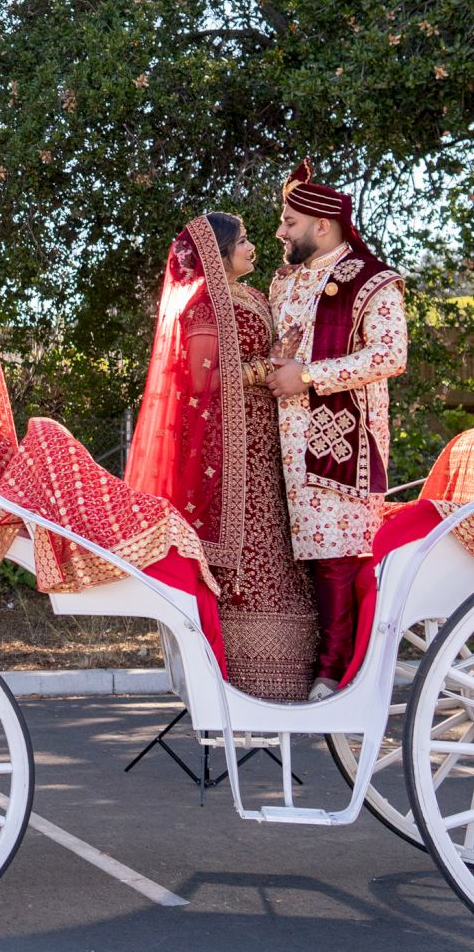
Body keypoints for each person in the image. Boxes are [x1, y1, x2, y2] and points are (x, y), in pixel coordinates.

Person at [126, 214, 318, 701]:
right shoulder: (203, 307)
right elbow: (201, 382)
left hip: (270, 440)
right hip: (232, 453)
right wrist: (262, 373)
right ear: (220, 250)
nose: (253, 247)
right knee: (249, 546)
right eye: (245, 240)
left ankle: (288, 676)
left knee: (280, 542)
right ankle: (244, 681)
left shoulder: (253, 297)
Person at [267, 160, 407, 701]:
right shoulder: (285, 282)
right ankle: (317, 666)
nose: (280, 231)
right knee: (307, 558)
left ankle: (336, 674)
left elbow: (391, 355)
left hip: (344, 442)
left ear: (322, 225)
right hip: (284, 442)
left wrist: (309, 375)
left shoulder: (373, 282)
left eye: (289, 221)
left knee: (338, 557)